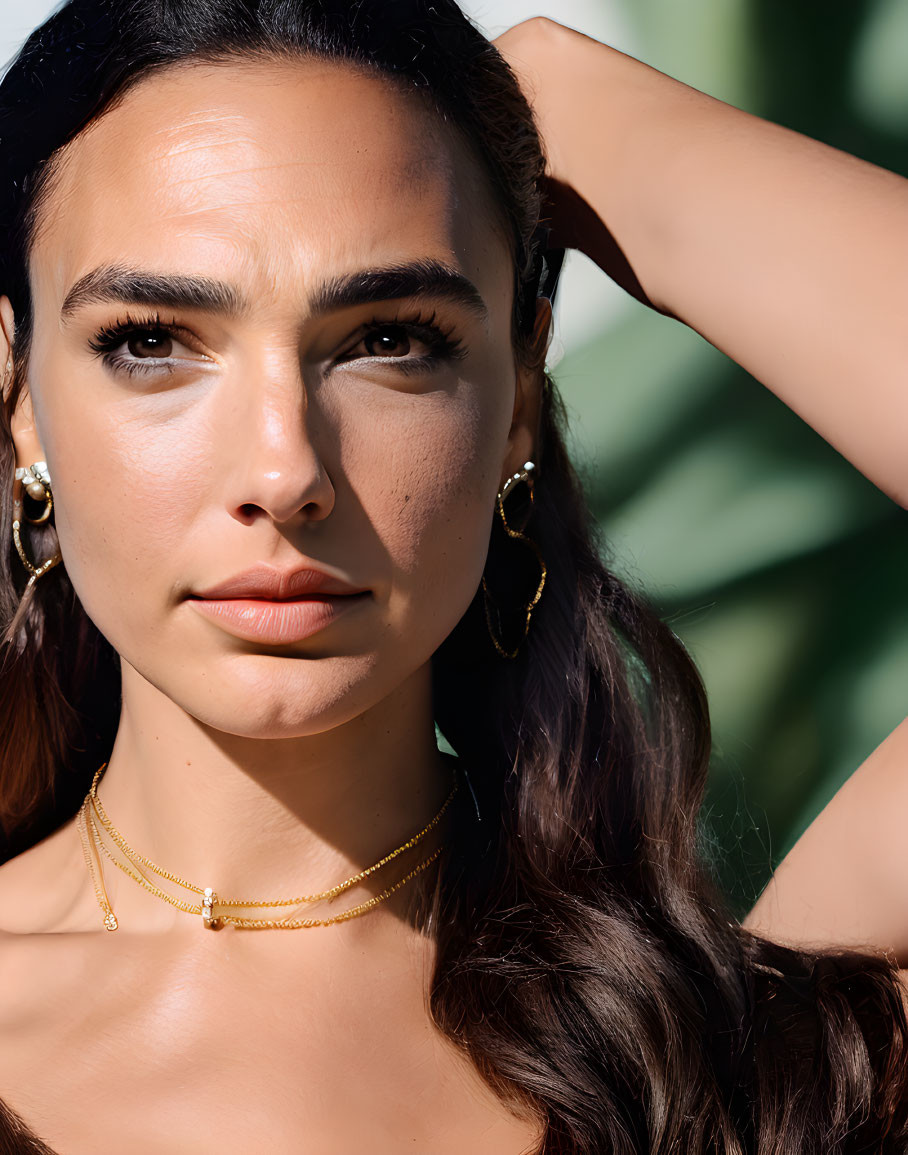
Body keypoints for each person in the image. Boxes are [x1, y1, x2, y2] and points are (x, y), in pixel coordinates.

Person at [0, 2, 905, 1152]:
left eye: (390, 339)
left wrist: (578, 115)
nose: (284, 471)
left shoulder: (718, 1058)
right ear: (21, 397)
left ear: (520, 389)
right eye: (151, 340)